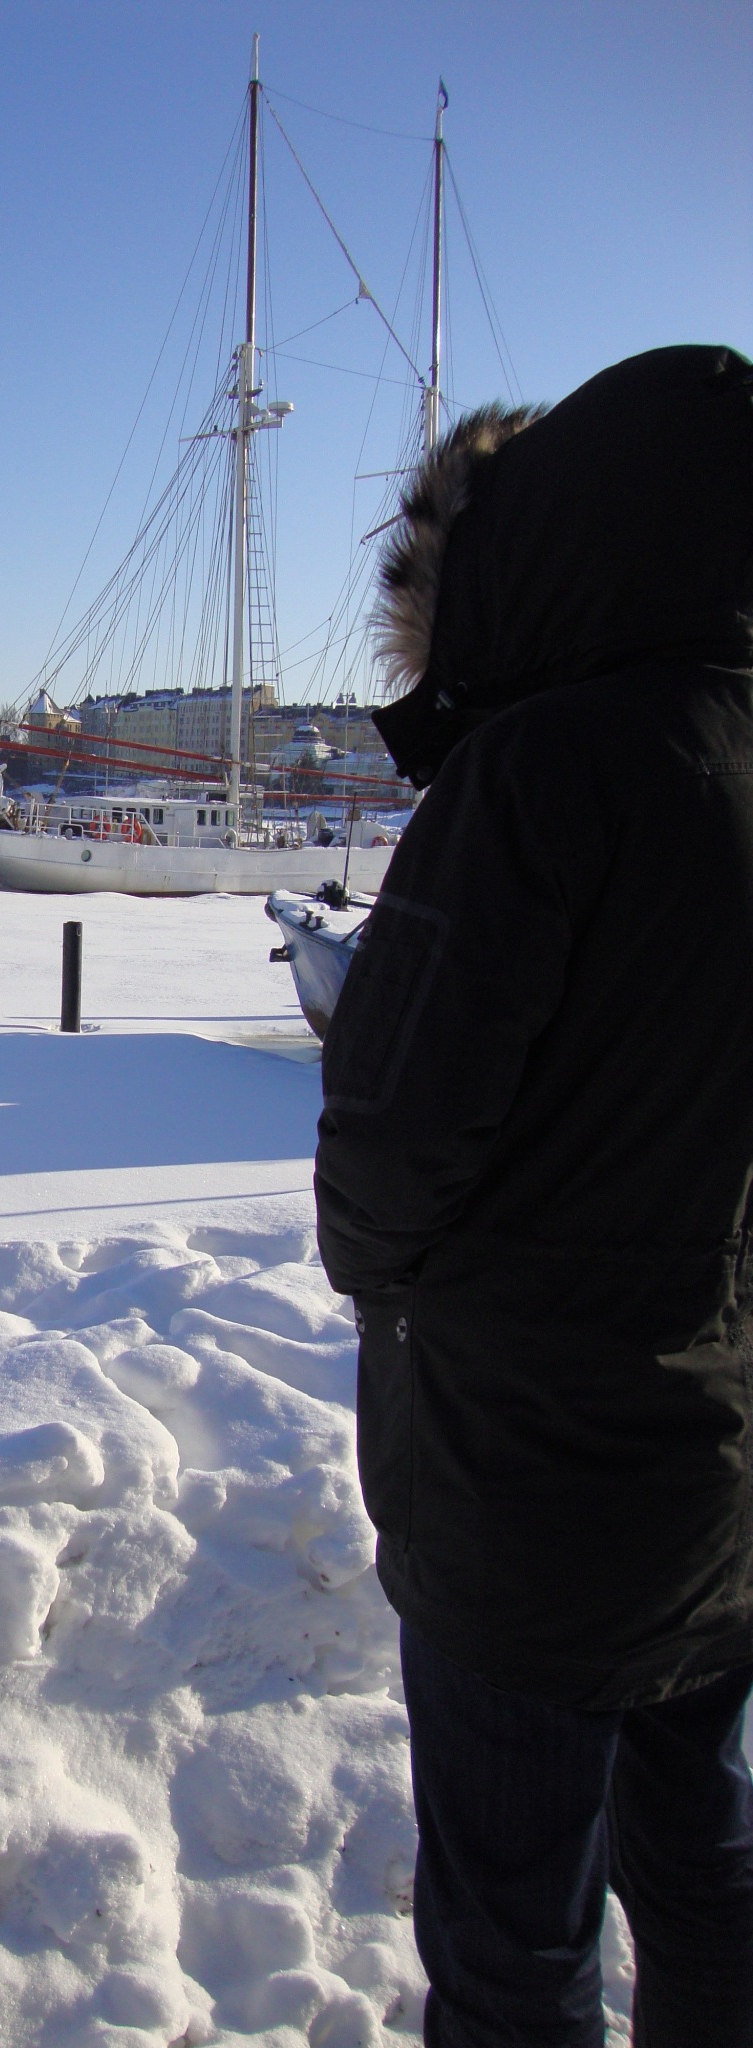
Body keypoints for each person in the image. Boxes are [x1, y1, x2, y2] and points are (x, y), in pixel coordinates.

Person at [314, 344, 753, 2047]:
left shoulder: (537, 776)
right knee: (707, 1871)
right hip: (725, 1472)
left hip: (527, 1489)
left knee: (515, 1948)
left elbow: (388, 1160)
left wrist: (390, 1283)